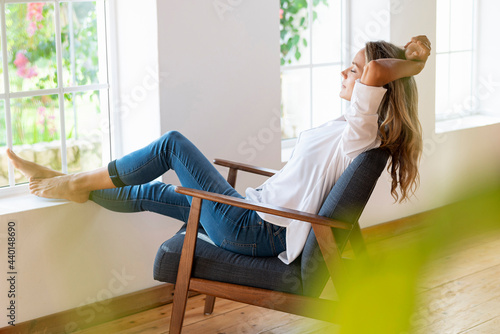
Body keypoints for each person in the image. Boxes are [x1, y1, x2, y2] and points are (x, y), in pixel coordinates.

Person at [7, 35, 431, 265]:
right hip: (252, 213)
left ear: (376, 91)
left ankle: (74, 180)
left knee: (173, 145)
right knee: (157, 192)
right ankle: (61, 181)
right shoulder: (349, 129)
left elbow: (377, 69)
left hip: (256, 230)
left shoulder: (362, 135)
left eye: (353, 70)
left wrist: (413, 63)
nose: (346, 71)